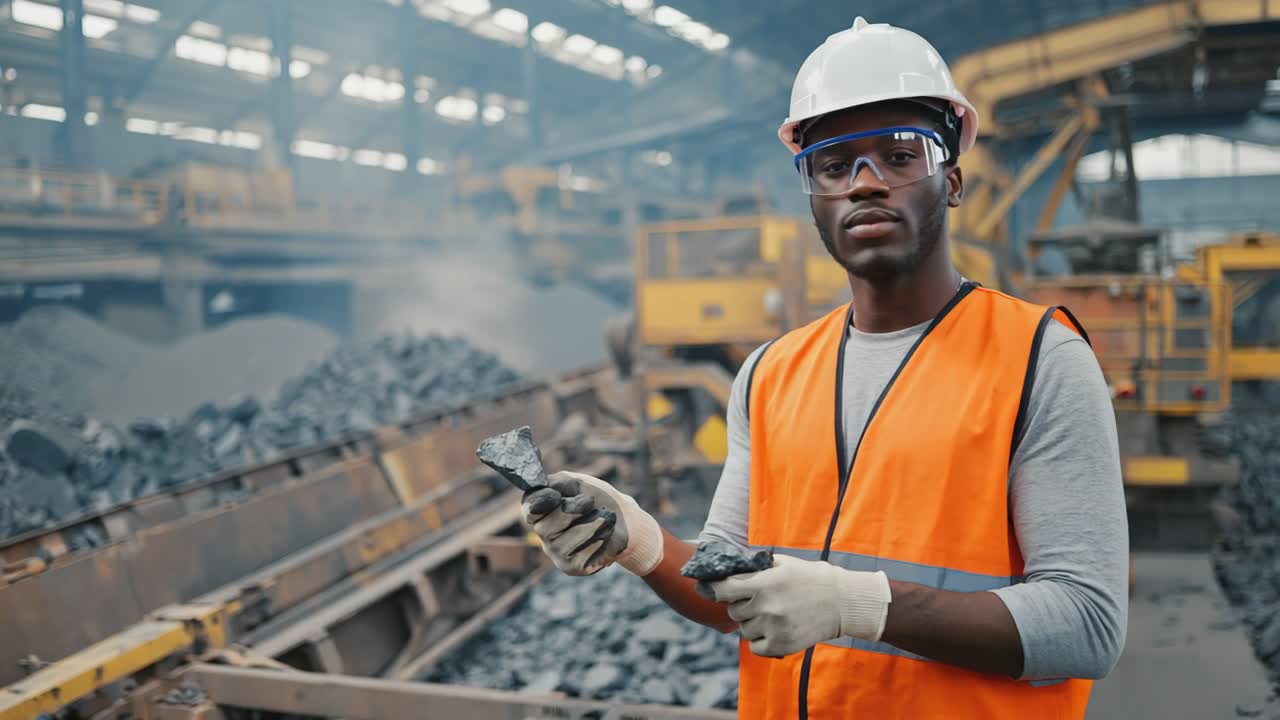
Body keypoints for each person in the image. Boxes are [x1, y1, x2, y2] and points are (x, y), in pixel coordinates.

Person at [523, 16, 1127, 719]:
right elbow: (731, 590)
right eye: (835, 165)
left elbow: (1088, 625)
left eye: (900, 156)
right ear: (812, 197)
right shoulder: (771, 374)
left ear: (953, 179)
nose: (865, 184)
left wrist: (859, 604)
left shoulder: (1040, 360)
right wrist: (639, 540)